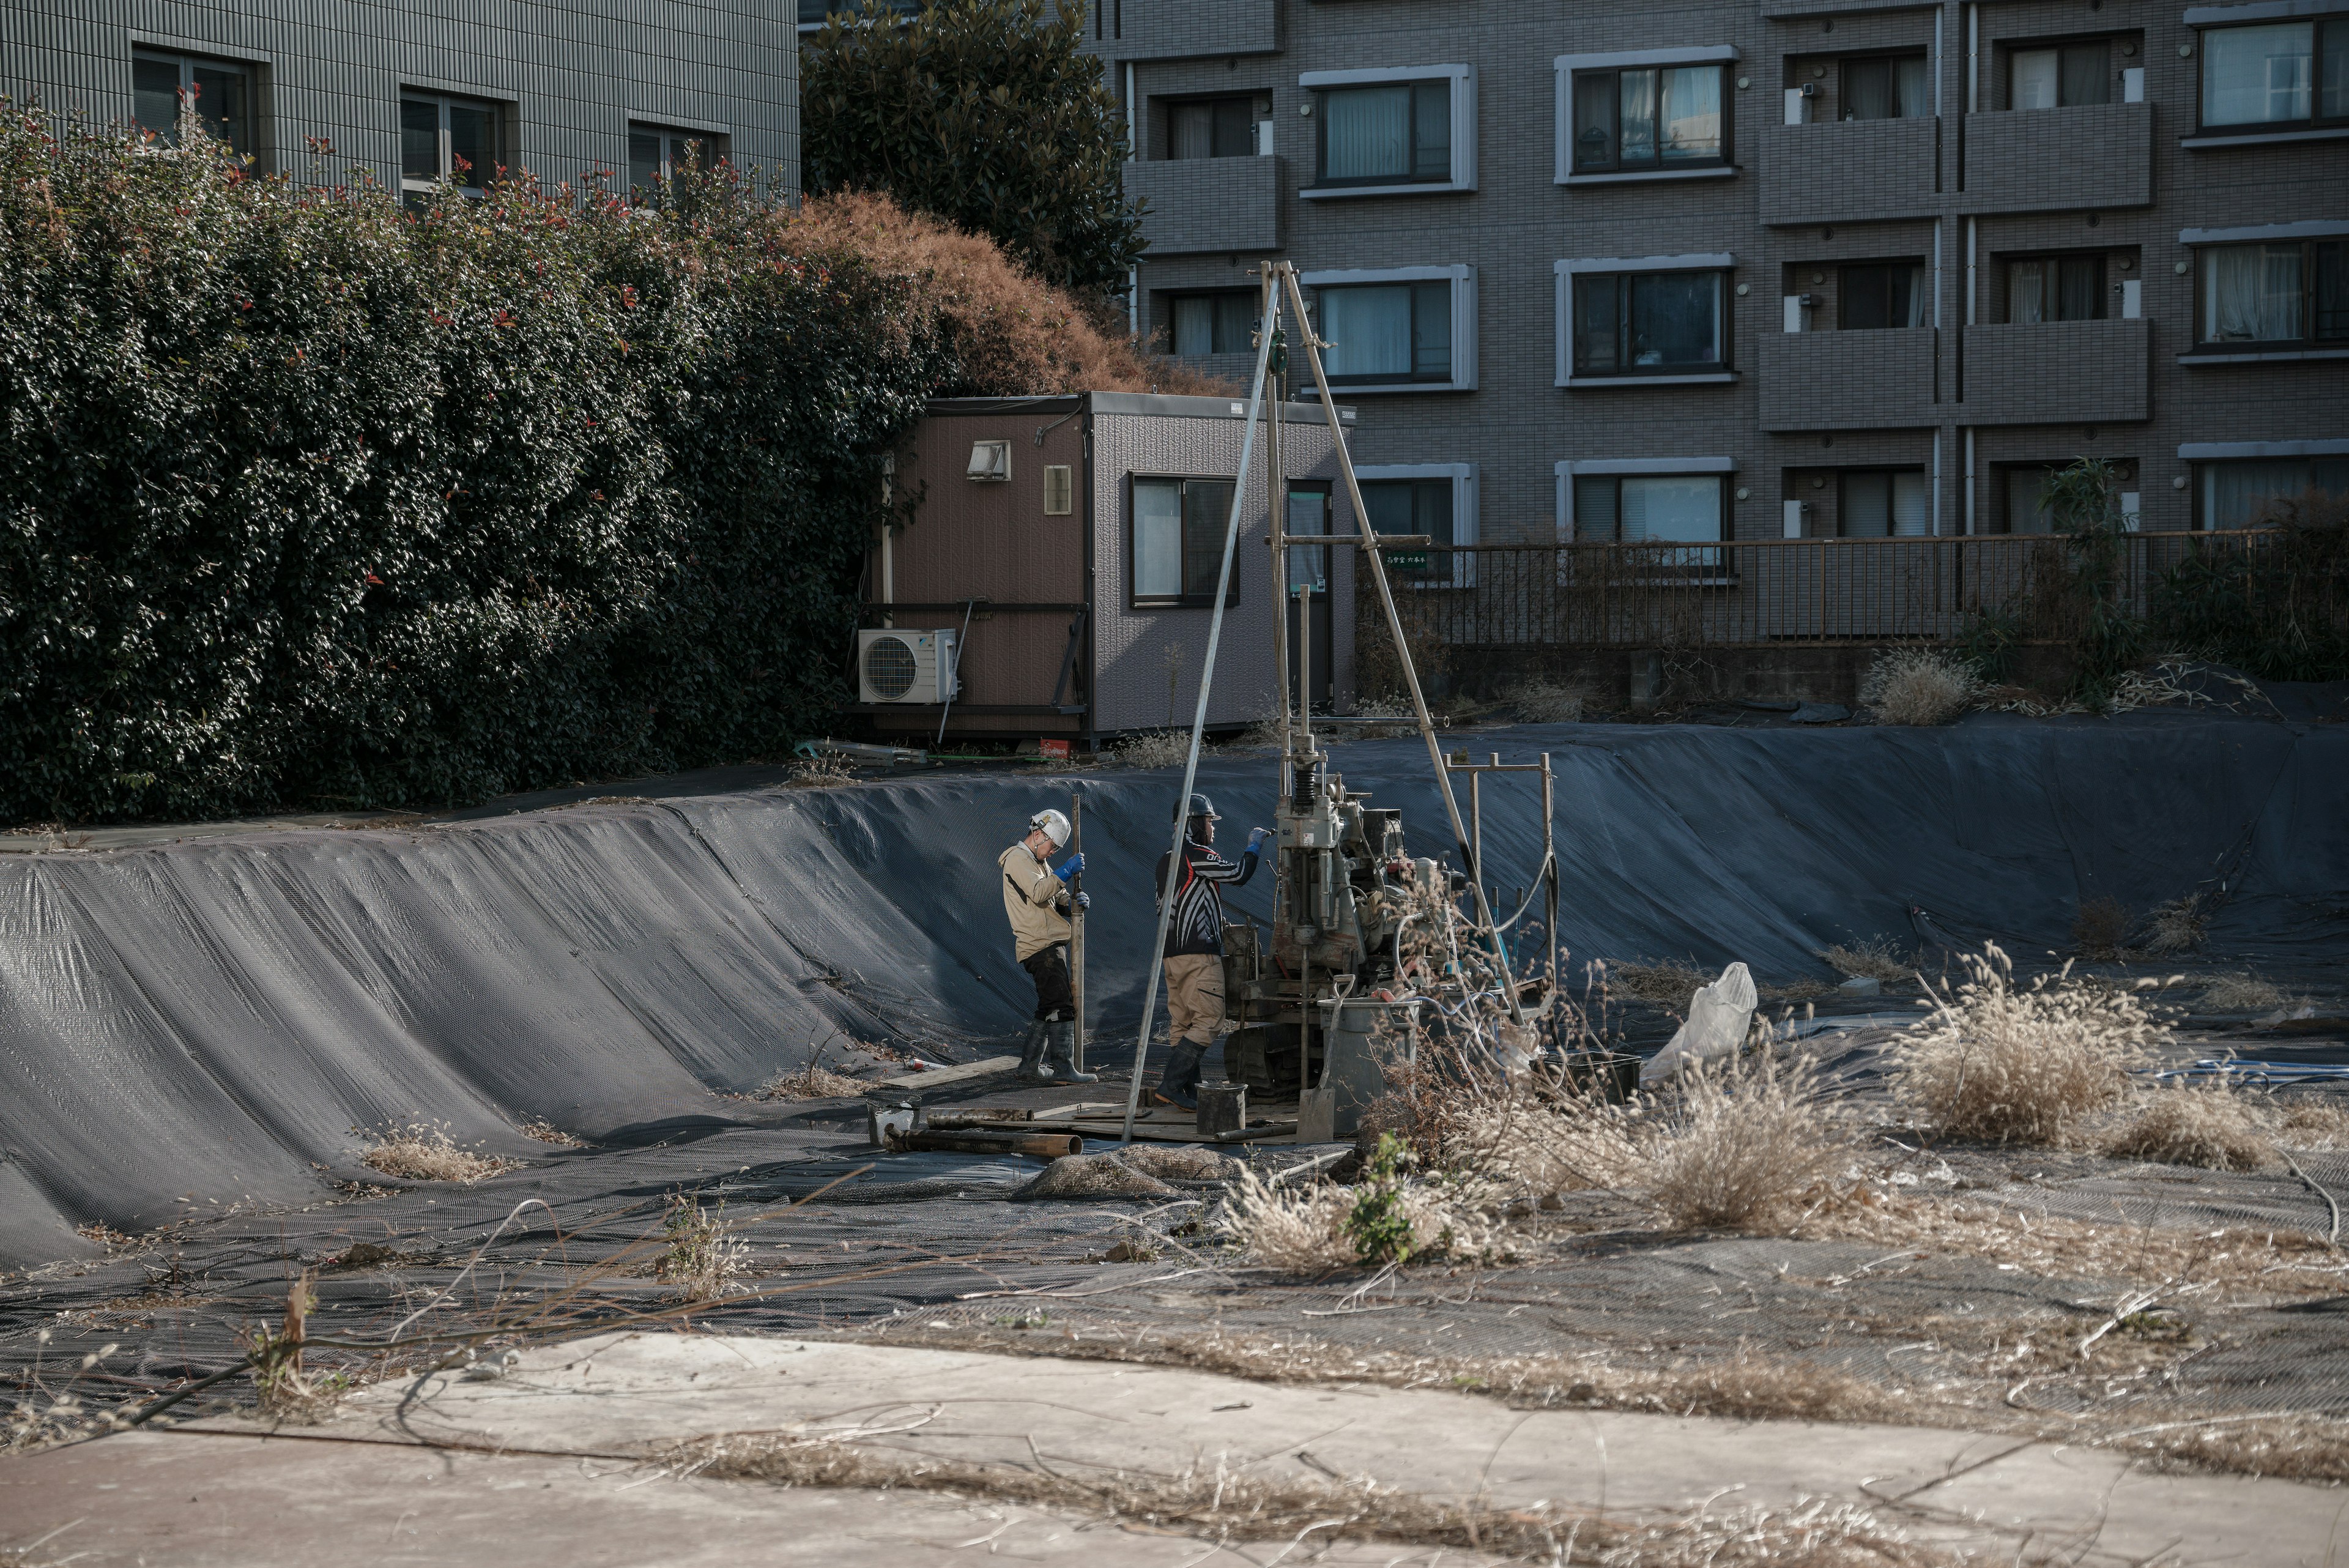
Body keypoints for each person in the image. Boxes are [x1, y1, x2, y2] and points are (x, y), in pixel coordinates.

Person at [1151, 793, 1269, 1110]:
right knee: (1210, 1020)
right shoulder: (1195, 854)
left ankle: (1189, 1094)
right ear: (1194, 825)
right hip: (1199, 956)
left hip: (1172, 956)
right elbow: (1238, 875)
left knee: (1184, 1024)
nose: (1212, 829)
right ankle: (1172, 1085)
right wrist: (1253, 847)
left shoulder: (1166, 859)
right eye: (1208, 822)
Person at [999, 807, 1096, 1083]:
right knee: (1060, 1004)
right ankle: (1064, 1068)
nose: (1053, 852)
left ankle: (1029, 1067)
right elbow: (1041, 891)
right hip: (1039, 945)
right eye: (1053, 846)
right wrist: (1066, 870)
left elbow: (1056, 896)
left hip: (1047, 944)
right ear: (1039, 835)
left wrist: (1072, 902)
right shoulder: (1018, 859)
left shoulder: (1037, 863)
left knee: (1048, 1005)